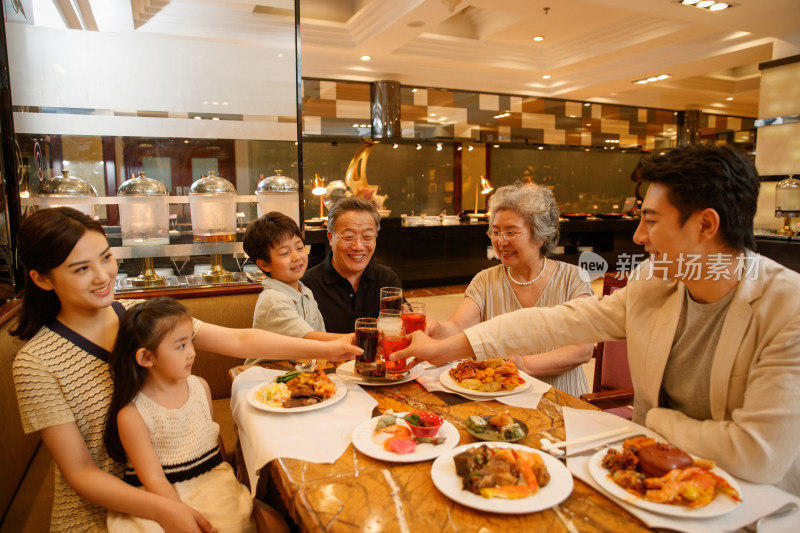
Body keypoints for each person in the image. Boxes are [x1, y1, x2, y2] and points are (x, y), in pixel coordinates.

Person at [392, 144, 800, 496]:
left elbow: (755, 456)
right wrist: (443, 346)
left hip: (746, 502)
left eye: (652, 221)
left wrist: (654, 419)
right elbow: (549, 323)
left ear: (706, 225)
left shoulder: (787, 309)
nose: (639, 236)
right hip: (646, 478)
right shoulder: (655, 285)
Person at [11, 207, 361, 533]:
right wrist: (166, 509)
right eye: (81, 268)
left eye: (106, 257)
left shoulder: (142, 317)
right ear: (42, 279)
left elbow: (239, 341)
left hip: (193, 484)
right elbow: (81, 473)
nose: (103, 276)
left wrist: (329, 347)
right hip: (102, 513)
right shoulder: (37, 362)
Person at [426, 183, 594, 396]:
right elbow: (458, 326)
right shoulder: (486, 280)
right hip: (502, 398)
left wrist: (523, 364)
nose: (501, 241)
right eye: (495, 232)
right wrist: (436, 329)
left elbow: (581, 350)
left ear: (540, 236)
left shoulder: (573, 280)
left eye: (511, 233)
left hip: (561, 399)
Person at [104, 298, 255, 533]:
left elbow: (213, 441)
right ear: (146, 357)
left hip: (213, 483)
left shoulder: (200, 387)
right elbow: (153, 480)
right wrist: (183, 516)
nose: (192, 353)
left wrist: (231, 479)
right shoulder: (132, 413)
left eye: (191, 343)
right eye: (181, 346)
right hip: (165, 495)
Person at [242, 212, 343, 365]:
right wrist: (358, 338)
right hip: (265, 378)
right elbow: (308, 338)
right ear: (264, 264)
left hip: (300, 371)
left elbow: (321, 336)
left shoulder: (305, 292)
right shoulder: (272, 300)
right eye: (285, 253)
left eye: (300, 247)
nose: (296, 257)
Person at [302, 197, 402, 333]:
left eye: (367, 236)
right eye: (348, 237)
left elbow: (400, 328)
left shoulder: (386, 279)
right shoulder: (307, 286)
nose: (358, 246)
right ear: (330, 238)